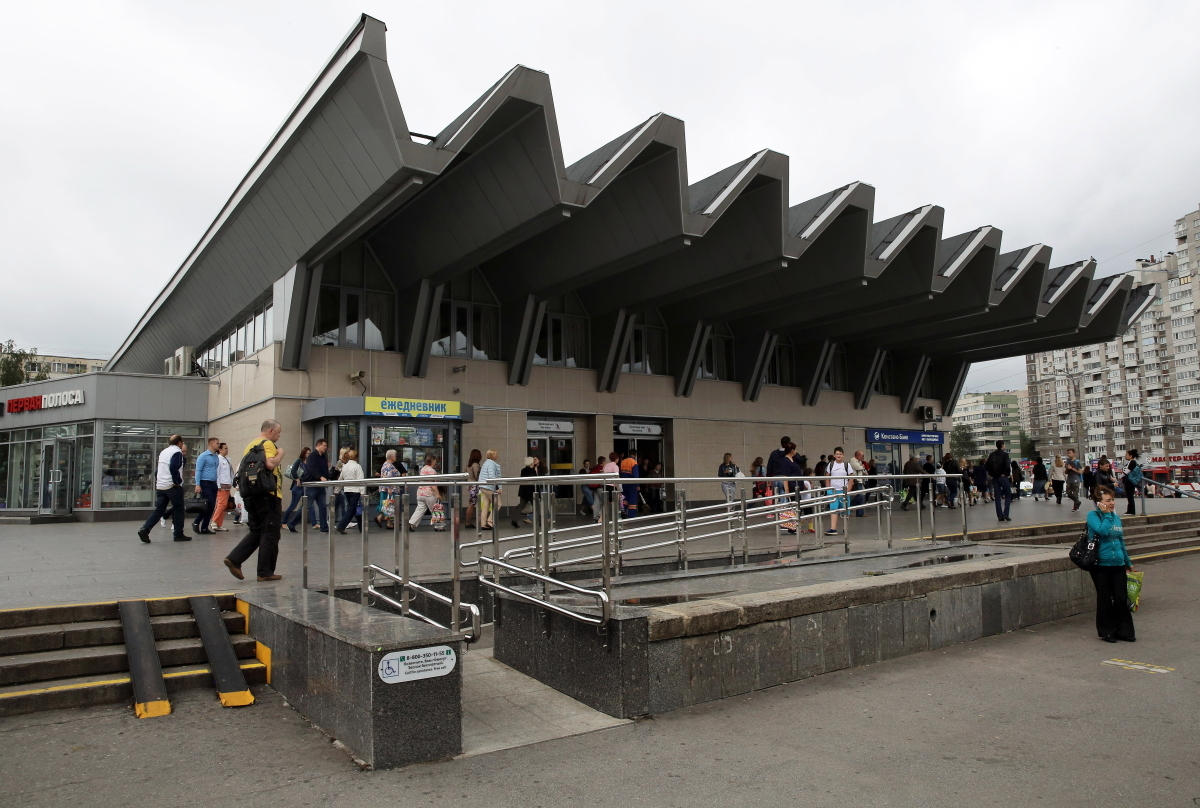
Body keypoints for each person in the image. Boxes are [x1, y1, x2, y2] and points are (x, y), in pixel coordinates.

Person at [223, 419, 286, 582]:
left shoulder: (250, 445)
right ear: (271, 431)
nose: (279, 436)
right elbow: (270, 464)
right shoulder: (268, 444)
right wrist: (280, 453)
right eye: (278, 432)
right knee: (271, 533)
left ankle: (235, 559)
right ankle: (265, 572)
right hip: (268, 495)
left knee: (257, 530)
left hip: (251, 494)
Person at [1086, 486, 1135, 643]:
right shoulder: (1093, 516)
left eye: (1112, 499)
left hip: (1118, 563)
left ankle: (1124, 630)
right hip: (1101, 564)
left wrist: (1127, 562)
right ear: (1099, 503)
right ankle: (1106, 631)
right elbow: (1103, 531)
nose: (1112, 503)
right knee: (1105, 598)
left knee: (1121, 598)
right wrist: (1106, 515)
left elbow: (1120, 541)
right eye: (1108, 501)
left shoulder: (1117, 518)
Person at [137, 434, 188, 542]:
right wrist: (177, 481)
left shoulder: (164, 452)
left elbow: (157, 470)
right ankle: (178, 534)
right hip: (172, 486)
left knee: (159, 510)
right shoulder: (176, 452)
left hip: (161, 485)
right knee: (179, 509)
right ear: (179, 442)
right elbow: (174, 467)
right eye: (182, 442)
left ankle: (145, 529)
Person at [288, 439, 330, 533]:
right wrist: (320, 477)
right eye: (324, 445)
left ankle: (324, 527)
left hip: (320, 486)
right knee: (306, 506)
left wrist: (327, 477)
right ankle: (292, 523)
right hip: (312, 485)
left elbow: (324, 469)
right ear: (318, 445)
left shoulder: (323, 457)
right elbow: (311, 468)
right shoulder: (312, 456)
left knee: (322, 506)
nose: (325, 448)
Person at [192, 437, 220, 535]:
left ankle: (204, 527)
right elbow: (198, 470)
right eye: (217, 443)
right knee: (209, 504)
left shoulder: (216, 456)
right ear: (211, 444)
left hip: (213, 483)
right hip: (205, 483)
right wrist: (197, 484)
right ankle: (196, 521)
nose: (218, 445)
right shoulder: (203, 456)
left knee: (211, 506)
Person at [333, 449, 365, 534]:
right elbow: (360, 480)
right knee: (352, 508)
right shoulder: (357, 466)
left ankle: (362, 528)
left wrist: (337, 490)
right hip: (355, 490)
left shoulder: (345, 466)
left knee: (354, 508)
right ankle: (341, 526)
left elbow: (340, 479)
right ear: (356, 457)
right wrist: (362, 492)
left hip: (347, 490)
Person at [409, 455, 442, 530]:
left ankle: (411, 523)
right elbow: (433, 485)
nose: (435, 462)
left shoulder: (422, 469)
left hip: (420, 493)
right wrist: (437, 494)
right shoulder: (432, 471)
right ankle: (439, 526)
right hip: (429, 494)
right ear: (432, 461)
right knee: (435, 510)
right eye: (435, 461)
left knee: (420, 509)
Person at [825, 447, 851, 536]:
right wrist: (828, 488)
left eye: (840, 454)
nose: (838, 455)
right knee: (833, 509)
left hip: (844, 490)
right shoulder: (831, 465)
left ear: (843, 455)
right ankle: (833, 528)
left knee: (845, 510)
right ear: (834, 455)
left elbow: (851, 477)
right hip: (833, 491)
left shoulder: (847, 465)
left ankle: (845, 528)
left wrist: (849, 489)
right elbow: (827, 476)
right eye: (837, 454)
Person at [986, 439, 1013, 522]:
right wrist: (1007, 474)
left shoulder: (992, 455)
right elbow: (1007, 466)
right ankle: (1006, 514)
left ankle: (1000, 516)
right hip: (1003, 477)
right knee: (1008, 494)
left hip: (995, 478)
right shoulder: (1005, 455)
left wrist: (992, 474)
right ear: (1002, 445)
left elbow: (986, 466)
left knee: (997, 497)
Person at [282, 447, 310, 524]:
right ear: (304, 453)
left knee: (309, 505)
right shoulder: (299, 461)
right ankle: (284, 522)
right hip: (298, 486)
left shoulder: (309, 462)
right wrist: (297, 479)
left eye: (310, 453)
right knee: (293, 505)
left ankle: (314, 523)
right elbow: (293, 470)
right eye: (308, 453)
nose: (309, 455)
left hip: (306, 486)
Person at [376, 449, 403, 529]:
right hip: (389, 490)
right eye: (395, 456)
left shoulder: (387, 465)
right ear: (391, 457)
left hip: (388, 489)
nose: (396, 457)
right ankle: (380, 519)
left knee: (388, 506)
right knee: (389, 506)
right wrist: (389, 488)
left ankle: (388, 522)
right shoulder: (388, 466)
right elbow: (387, 478)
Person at [212, 442, 236, 531]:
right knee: (221, 504)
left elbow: (230, 473)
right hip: (221, 485)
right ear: (220, 450)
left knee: (224, 505)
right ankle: (214, 521)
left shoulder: (227, 459)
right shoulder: (218, 459)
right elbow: (217, 473)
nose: (227, 450)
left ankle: (219, 524)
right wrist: (218, 485)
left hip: (227, 484)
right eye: (225, 448)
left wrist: (233, 481)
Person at [478, 450, 501, 530]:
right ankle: (490, 521)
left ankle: (483, 524)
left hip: (483, 487)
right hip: (489, 487)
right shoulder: (491, 464)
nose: (497, 455)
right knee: (498, 504)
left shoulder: (486, 463)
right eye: (496, 454)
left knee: (485, 506)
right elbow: (492, 477)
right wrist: (497, 488)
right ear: (492, 455)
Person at [513, 457, 537, 527]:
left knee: (521, 506)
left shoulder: (523, 470)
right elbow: (534, 482)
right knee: (536, 506)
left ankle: (514, 520)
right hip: (531, 492)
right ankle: (540, 521)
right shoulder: (532, 471)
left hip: (523, 491)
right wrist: (537, 491)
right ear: (531, 463)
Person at [463, 449, 483, 528]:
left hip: (469, 485)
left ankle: (468, 522)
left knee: (471, 504)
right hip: (475, 485)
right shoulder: (476, 465)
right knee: (472, 504)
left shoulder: (468, 465)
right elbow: (477, 476)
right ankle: (468, 523)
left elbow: (464, 476)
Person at [619, 452, 640, 517]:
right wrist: (637, 485)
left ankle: (623, 512)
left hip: (624, 483)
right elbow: (635, 475)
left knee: (625, 499)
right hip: (632, 484)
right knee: (632, 500)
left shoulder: (623, 461)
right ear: (635, 455)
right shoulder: (634, 462)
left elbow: (620, 473)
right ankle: (631, 515)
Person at [1122, 449, 1143, 516]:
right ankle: (1130, 510)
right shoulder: (1132, 462)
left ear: (1131, 456)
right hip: (1130, 481)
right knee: (1129, 496)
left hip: (1130, 481)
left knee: (1130, 496)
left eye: (1126, 455)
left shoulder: (1132, 462)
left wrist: (1120, 477)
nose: (1125, 456)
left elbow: (1126, 471)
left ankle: (1131, 511)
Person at [850, 450, 868, 516]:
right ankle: (849, 508)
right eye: (862, 456)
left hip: (861, 480)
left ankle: (860, 513)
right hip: (856, 481)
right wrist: (862, 466)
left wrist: (863, 468)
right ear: (858, 455)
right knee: (859, 495)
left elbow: (863, 469)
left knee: (862, 497)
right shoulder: (852, 460)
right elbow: (857, 467)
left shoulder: (860, 461)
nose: (862, 457)